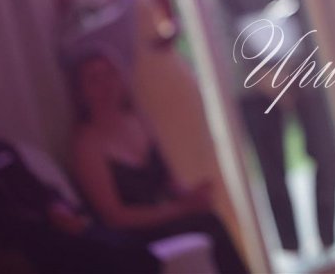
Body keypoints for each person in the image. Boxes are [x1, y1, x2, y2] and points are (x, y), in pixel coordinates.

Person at [50, 0, 241, 244]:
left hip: (164, 81)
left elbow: (169, 18)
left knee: (197, 169)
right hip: (121, 97)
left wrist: (166, 35)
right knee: (157, 179)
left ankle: (229, 250)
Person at [211, 0, 335, 253]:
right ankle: (291, 250)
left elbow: (317, 1)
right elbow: (223, 19)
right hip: (255, 77)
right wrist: (261, 71)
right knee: (272, 167)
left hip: (308, 65)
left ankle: (329, 239)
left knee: (326, 150)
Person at [0, 69, 161, 274]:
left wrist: (57, 206)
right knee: (107, 258)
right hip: (8, 245)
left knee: (134, 251)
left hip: (50, 227)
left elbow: (38, 188)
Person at [67, 52, 250, 274]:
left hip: (166, 216)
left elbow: (169, 182)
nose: (106, 84)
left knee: (210, 219)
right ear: (81, 92)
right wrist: (177, 210)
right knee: (206, 224)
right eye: (94, 79)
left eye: (109, 74)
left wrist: (191, 195)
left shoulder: (138, 121)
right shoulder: (87, 146)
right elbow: (115, 217)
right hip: (135, 235)